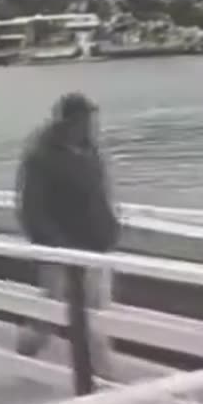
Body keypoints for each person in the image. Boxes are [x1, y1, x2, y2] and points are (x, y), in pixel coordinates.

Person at [15, 92, 121, 375]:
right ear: (68, 122)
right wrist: (56, 246)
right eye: (84, 119)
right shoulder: (42, 158)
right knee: (56, 311)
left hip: (95, 247)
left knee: (93, 314)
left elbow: (100, 196)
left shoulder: (91, 153)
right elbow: (31, 210)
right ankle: (30, 345)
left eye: (91, 119)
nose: (90, 125)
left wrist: (110, 228)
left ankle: (101, 374)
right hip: (60, 251)